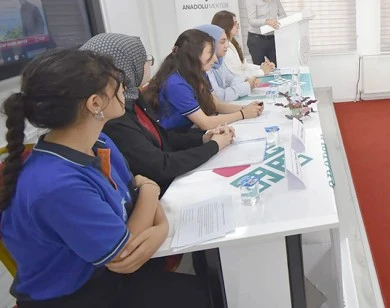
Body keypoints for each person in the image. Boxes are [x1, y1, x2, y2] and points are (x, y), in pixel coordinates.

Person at [0, 49, 209, 307]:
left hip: (108, 277)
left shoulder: (100, 142)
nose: (125, 88)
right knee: (208, 295)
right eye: (118, 83)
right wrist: (154, 203)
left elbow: (137, 197)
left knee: (213, 281)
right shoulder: (57, 185)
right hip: (77, 296)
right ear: (95, 103)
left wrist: (149, 201)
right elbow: (125, 254)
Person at [80, 33, 235, 194]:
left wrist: (204, 137)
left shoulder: (132, 100)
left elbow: (163, 137)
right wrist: (213, 146)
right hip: (160, 187)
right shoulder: (115, 118)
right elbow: (160, 166)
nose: (148, 64)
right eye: (143, 59)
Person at [144, 29, 263, 132]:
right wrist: (242, 114)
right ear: (193, 55)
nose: (215, 59)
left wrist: (245, 108)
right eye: (210, 53)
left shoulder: (199, 73)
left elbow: (216, 104)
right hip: (175, 138)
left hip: (190, 131)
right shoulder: (175, 84)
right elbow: (205, 123)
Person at [193, 24, 258, 102]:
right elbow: (220, 97)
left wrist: (248, 80)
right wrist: (247, 86)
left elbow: (231, 79)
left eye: (227, 41)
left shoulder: (219, 61)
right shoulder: (204, 67)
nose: (227, 45)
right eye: (222, 42)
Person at [212, 10, 274, 79]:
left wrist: (262, 67)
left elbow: (243, 65)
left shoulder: (233, 43)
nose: (238, 26)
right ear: (226, 26)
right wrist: (261, 71)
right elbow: (237, 74)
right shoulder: (224, 49)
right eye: (235, 23)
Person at [246, 0, 287, 65]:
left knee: (278, 65)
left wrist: (277, 21)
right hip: (256, 39)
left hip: (272, 38)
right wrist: (266, 21)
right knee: (260, 68)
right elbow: (252, 21)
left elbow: (283, 15)